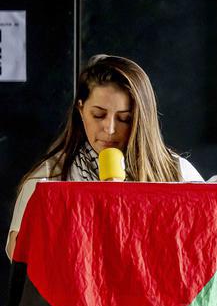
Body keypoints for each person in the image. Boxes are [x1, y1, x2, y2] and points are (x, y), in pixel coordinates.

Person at [6, 54, 202, 260]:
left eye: (125, 119)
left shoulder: (177, 172)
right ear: (81, 110)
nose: (110, 129)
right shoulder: (47, 179)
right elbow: (21, 261)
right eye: (98, 115)